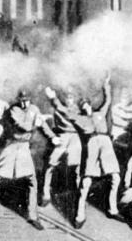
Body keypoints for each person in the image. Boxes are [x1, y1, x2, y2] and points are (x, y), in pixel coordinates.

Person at [47, 74, 120, 228]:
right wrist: (53, 98)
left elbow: (107, 100)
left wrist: (106, 85)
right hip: (92, 145)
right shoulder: (78, 118)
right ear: (81, 109)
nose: (85, 107)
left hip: (106, 144)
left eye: (87, 104)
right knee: (86, 180)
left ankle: (112, 209)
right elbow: (62, 109)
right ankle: (80, 215)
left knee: (115, 177)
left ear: (90, 105)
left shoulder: (100, 113)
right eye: (82, 106)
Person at [0, 89, 57, 230]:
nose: (24, 104)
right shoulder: (14, 110)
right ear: (18, 100)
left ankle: (33, 216)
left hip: (24, 147)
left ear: (30, 100)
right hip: (11, 145)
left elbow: (43, 125)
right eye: (22, 101)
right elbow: (23, 126)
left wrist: (52, 136)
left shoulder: (34, 109)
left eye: (27, 101)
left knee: (32, 180)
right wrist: (36, 123)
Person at [41, 85, 82, 208]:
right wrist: (48, 116)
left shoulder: (77, 109)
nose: (69, 100)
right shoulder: (58, 108)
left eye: (71, 98)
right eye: (67, 97)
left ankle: (78, 196)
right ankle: (45, 193)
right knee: (50, 163)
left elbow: (67, 113)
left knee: (77, 166)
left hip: (75, 137)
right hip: (62, 136)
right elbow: (53, 116)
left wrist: (53, 98)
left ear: (75, 99)